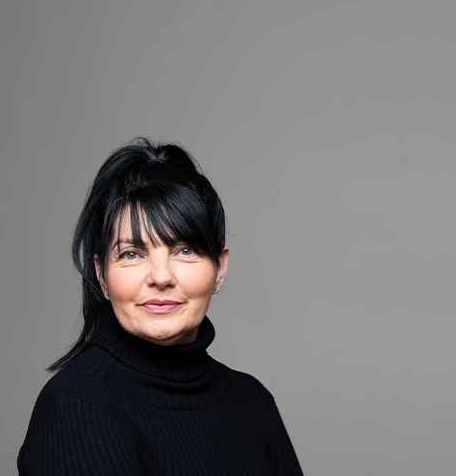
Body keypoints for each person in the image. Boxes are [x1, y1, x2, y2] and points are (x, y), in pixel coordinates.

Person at [18, 139, 303, 475]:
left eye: (185, 250)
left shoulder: (252, 401)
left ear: (220, 269)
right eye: (131, 254)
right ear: (102, 275)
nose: (161, 277)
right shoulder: (76, 406)